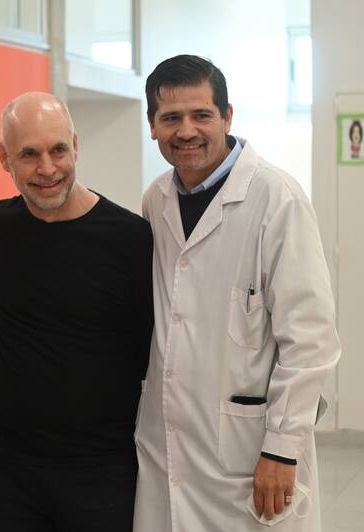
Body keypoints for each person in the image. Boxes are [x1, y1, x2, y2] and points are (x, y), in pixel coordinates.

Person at [134, 55, 341, 531]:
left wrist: (281, 449)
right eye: (171, 118)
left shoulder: (276, 198)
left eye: (201, 115)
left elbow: (309, 339)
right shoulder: (155, 199)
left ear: (227, 117)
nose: (186, 130)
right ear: (152, 126)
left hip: (250, 453)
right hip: (169, 450)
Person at [0, 92, 153, 531]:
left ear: (76, 145)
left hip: (102, 471)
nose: (47, 169)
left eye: (57, 150)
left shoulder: (129, 239)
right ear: (3, 157)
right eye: (28, 154)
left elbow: (152, 355)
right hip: (6, 469)